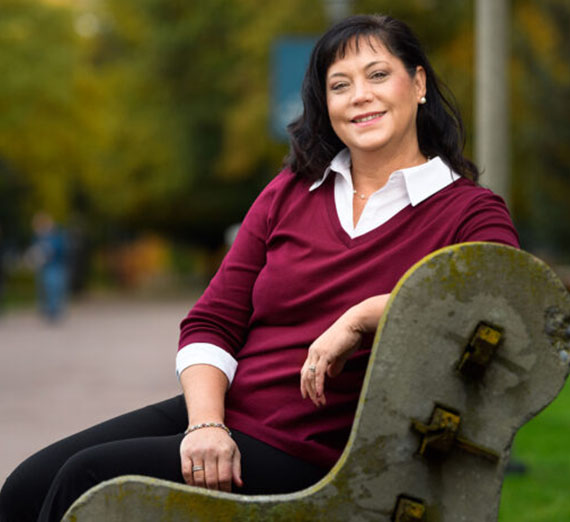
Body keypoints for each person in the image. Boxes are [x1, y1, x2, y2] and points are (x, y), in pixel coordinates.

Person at [0, 14, 519, 522]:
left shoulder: (468, 211)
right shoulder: (293, 191)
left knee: (86, 480)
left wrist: (365, 315)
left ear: (419, 84)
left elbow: (505, 310)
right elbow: (212, 322)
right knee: (28, 483)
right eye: (340, 85)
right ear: (327, 105)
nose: (360, 95)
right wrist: (207, 425)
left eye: (378, 75)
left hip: (321, 451)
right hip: (227, 416)